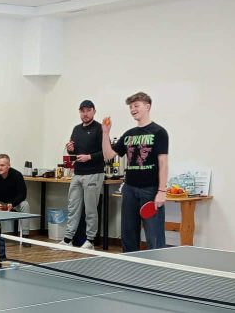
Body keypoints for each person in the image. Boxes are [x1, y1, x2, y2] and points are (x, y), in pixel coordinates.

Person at [101, 91, 169, 252]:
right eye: (131, 107)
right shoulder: (129, 134)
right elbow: (108, 155)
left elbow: (163, 163)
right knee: (128, 234)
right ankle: (129, 264)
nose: (132, 109)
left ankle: (158, 265)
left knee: (154, 236)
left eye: (136, 105)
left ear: (147, 106)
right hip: (129, 189)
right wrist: (105, 133)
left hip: (150, 190)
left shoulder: (159, 132)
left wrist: (162, 191)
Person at [65, 99, 105, 249]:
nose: (85, 114)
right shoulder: (76, 129)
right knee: (72, 207)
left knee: (90, 209)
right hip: (78, 173)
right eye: (82, 111)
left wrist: (89, 157)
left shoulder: (100, 129)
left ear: (94, 111)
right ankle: (68, 239)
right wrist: (70, 149)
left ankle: (90, 240)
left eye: (88, 110)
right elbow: (74, 152)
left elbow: (107, 152)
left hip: (93, 173)